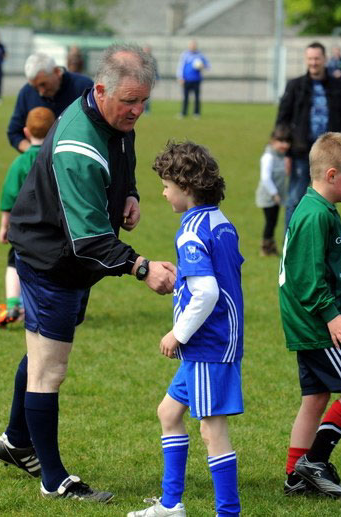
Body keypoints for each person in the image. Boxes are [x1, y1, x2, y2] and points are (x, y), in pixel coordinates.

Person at [0, 43, 176, 503]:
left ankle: (15, 441)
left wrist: (128, 193)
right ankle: (53, 480)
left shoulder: (114, 116)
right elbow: (88, 239)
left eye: (143, 101)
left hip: (70, 261)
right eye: (129, 101)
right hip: (51, 259)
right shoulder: (77, 144)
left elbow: (123, 152)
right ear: (100, 90)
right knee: (49, 369)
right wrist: (140, 266)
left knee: (40, 352)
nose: (137, 110)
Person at [128, 141, 244, 517]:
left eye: (166, 185)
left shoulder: (191, 231)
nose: (163, 192)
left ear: (186, 186)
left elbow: (208, 292)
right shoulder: (220, 221)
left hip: (208, 344)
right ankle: (171, 504)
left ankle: (228, 512)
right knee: (169, 412)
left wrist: (178, 333)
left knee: (212, 431)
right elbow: (219, 277)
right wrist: (185, 282)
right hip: (213, 341)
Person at [279, 132, 341, 499]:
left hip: (311, 322)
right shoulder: (315, 215)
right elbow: (306, 278)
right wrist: (331, 315)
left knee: (315, 398)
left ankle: (295, 477)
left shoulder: (318, 208)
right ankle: (314, 462)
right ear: (332, 174)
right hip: (320, 324)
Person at [275, 41, 341, 230]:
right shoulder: (295, 86)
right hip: (301, 152)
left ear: (324, 59)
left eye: (317, 58)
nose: (313, 62)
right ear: (306, 60)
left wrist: (339, 142)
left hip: (329, 154)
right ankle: (291, 241)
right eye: (310, 59)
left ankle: (326, 241)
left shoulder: (338, 86)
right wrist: (285, 150)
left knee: (328, 200)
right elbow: (283, 118)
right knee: (295, 198)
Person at [0, 107, 56, 328]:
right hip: (52, 229)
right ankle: (40, 307)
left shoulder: (20, 163)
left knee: (14, 264)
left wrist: (3, 227)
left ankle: (12, 304)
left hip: (23, 230)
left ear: (26, 132)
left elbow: (9, 197)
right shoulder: (56, 160)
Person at [7, 52, 93, 152]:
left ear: (57, 72)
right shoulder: (26, 93)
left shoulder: (84, 87)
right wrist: (35, 153)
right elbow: (14, 132)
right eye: (35, 87)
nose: (41, 92)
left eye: (43, 84)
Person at [255, 125, 291, 256]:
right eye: (281, 141)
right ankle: (266, 247)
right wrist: (274, 194)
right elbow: (265, 178)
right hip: (268, 196)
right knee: (270, 222)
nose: (284, 145)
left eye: (287, 142)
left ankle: (271, 246)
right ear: (272, 141)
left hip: (277, 196)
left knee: (273, 221)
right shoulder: (268, 157)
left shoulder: (282, 156)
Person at [176, 40, 210, 119]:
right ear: (189, 46)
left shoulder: (200, 55)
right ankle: (184, 113)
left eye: (194, 45)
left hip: (196, 80)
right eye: (191, 45)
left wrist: (203, 66)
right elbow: (181, 66)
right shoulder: (185, 55)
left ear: (196, 46)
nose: (192, 46)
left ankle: (196, 113)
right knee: (185, 97)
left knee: (197, 97)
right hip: (186, 80)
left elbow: (208, 66)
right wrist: (180, 77)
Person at [142, 45, 159, 114]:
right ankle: (141, 109)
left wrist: (157, 78)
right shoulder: (140, 58)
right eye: (145, 49)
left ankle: (147, 110)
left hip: (149, 80)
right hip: (141, 79)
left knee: (147, 96)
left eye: (148, 49)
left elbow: (156, 69)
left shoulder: (153, 59)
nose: (146, 51)